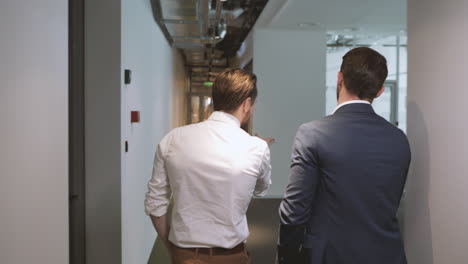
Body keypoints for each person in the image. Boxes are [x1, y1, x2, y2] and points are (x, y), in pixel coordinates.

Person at [277, 47, 411, 264]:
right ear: (379, 91)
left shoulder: (313, 134)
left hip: (330, 255)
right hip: (388, 255)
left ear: (339, 78)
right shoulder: (399, 139)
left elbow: (294, 211)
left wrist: (286, 254)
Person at [145, 68, 274, 264]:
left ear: (216, 99)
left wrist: (172, 249)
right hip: (233, 257)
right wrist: (259, 151)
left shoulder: (173, 139)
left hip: (185, 255)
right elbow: (261, 189)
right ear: (247, 103)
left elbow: (155, 205)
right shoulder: (256, 148)